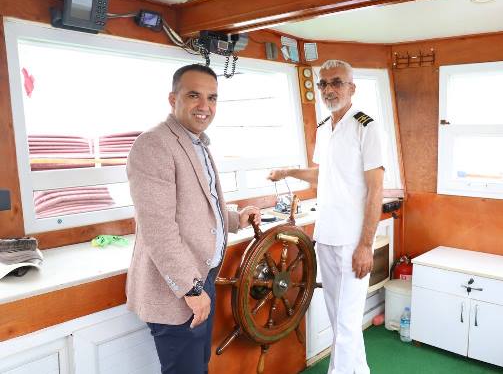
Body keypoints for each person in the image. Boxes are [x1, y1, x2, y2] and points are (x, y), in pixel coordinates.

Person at [126, 64, 261, 374]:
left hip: (203, 278)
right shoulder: (154, 144)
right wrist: (191, 289)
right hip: (178, 289)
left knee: (199, 366)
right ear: (173, 99)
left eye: (212, 98)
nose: (205, 106)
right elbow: (158, 228)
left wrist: (236, 219)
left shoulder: (196, 141)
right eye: (193, 95)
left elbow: (198, 206)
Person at [269, 59, 384, 374]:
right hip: (326, 236)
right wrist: (288, 172)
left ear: (351, 88)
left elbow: (376, 189)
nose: (329, 90)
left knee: (346, 323)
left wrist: (365, 245)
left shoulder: (366, 127)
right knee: (340, 319)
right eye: (323, 84)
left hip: (352, 241)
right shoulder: (323, 128)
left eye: (336, 82)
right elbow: (323, 175)